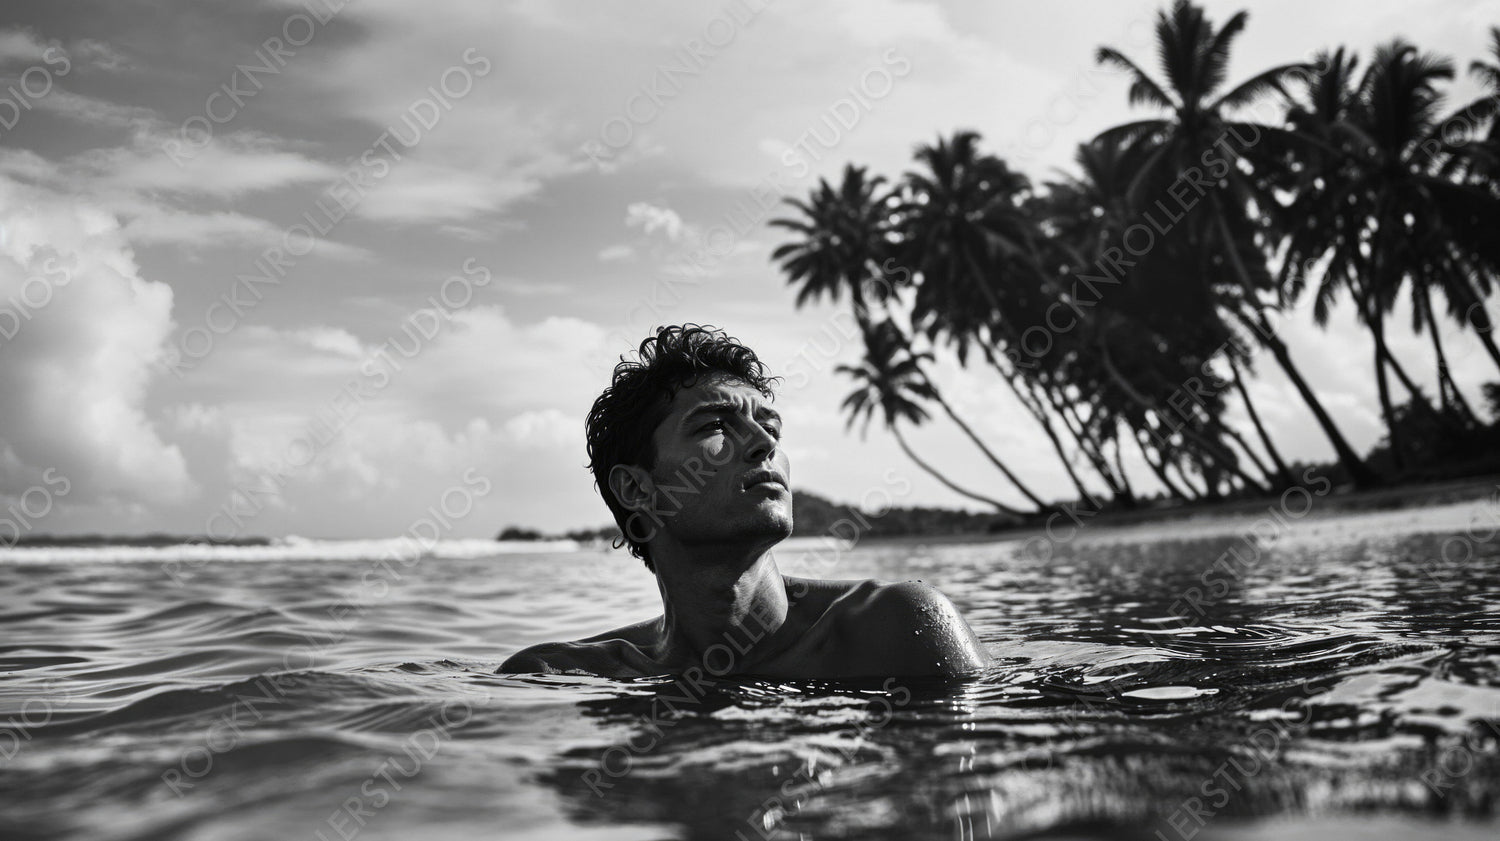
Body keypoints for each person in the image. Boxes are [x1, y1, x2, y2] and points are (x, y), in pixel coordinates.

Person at [499, 324, 990, 680]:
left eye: (770, 426)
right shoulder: (560, 674)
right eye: (715, 426)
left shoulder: (896, 625)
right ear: (636, 489)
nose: (763, 442)